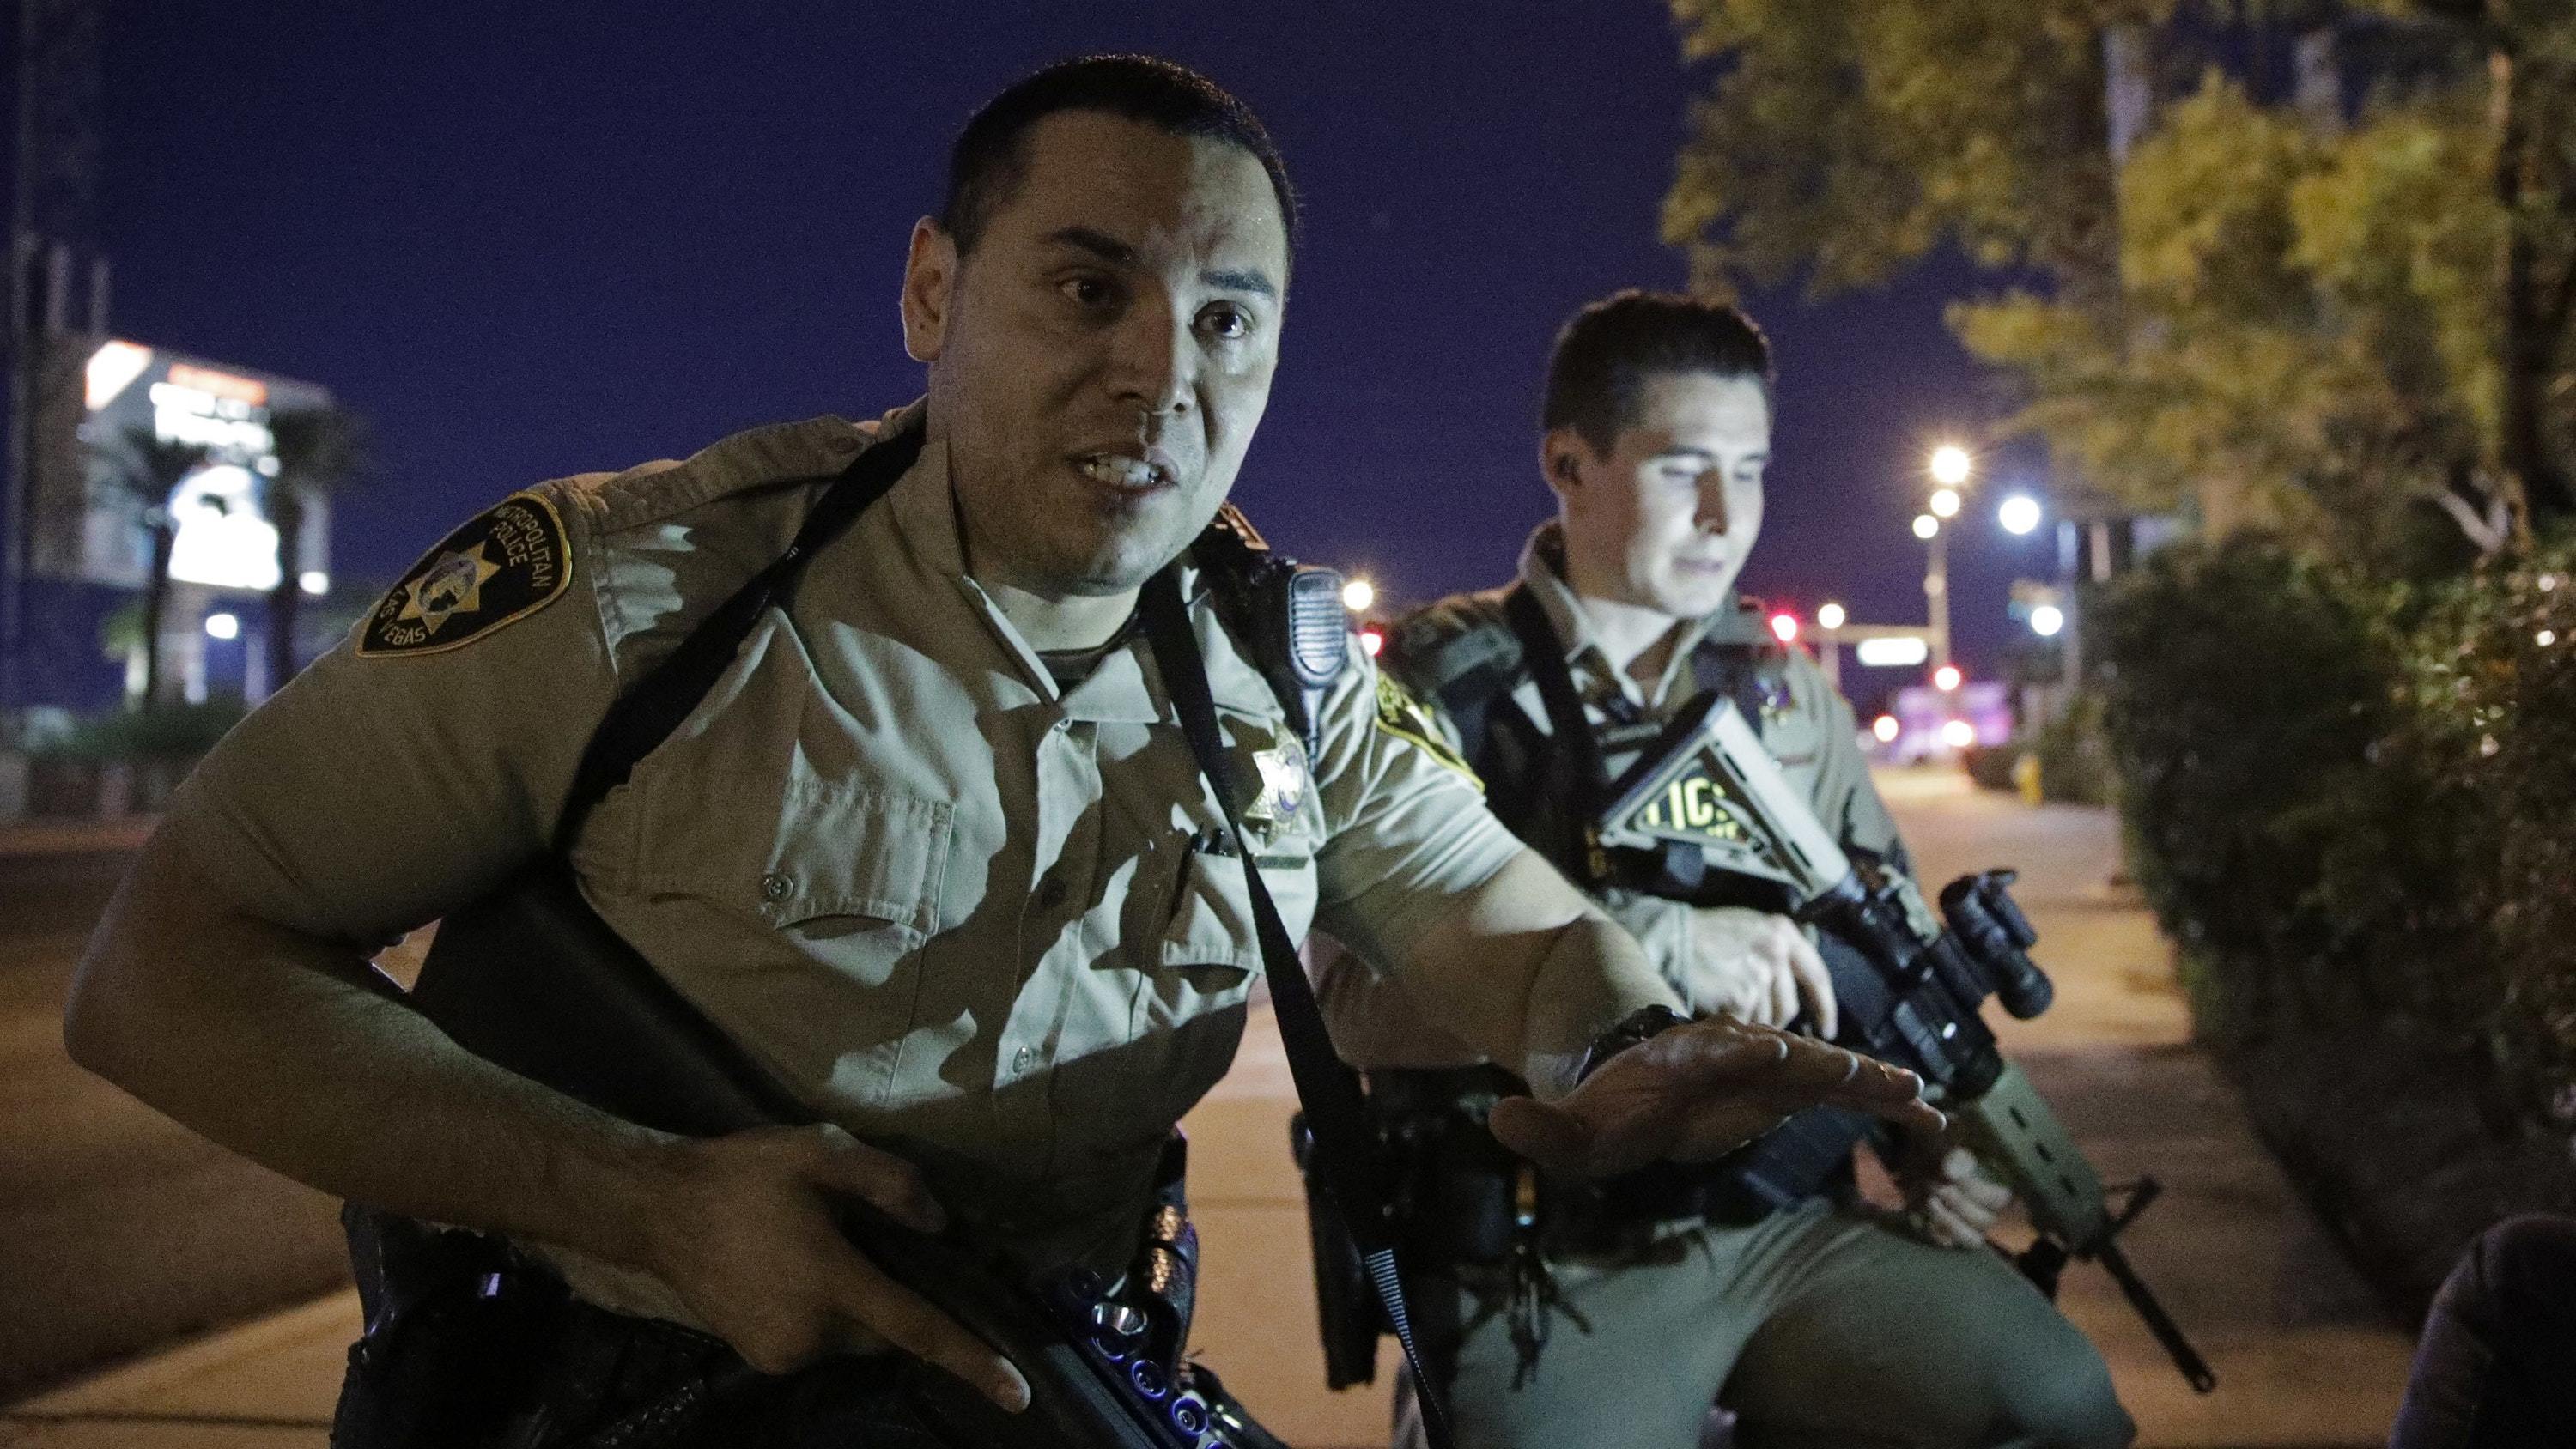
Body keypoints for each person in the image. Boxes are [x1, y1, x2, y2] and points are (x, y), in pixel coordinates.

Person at [62, 60, 1936, 1446]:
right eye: (1086, 287)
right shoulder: (647, 598)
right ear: (933, 296)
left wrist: (1616, 1043)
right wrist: (645, 1203)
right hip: (630, 1391)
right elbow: (166, 968)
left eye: (1228, 322)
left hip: (1046, 1375)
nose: (1159, 371)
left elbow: (1474, 910)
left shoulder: (1276, 663)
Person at [1315, 292, 2133, 1449]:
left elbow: (1876, 955)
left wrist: (1928, 1141)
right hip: (1553, 1266)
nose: (1722, 516)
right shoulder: (1447, 687)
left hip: (1791, 1226)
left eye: (1748, 472)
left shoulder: (1785, 692)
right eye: (1682, 468)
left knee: (2057, 1410)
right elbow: (1347, 1001)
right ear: (1570, 463)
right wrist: (1664, 947)